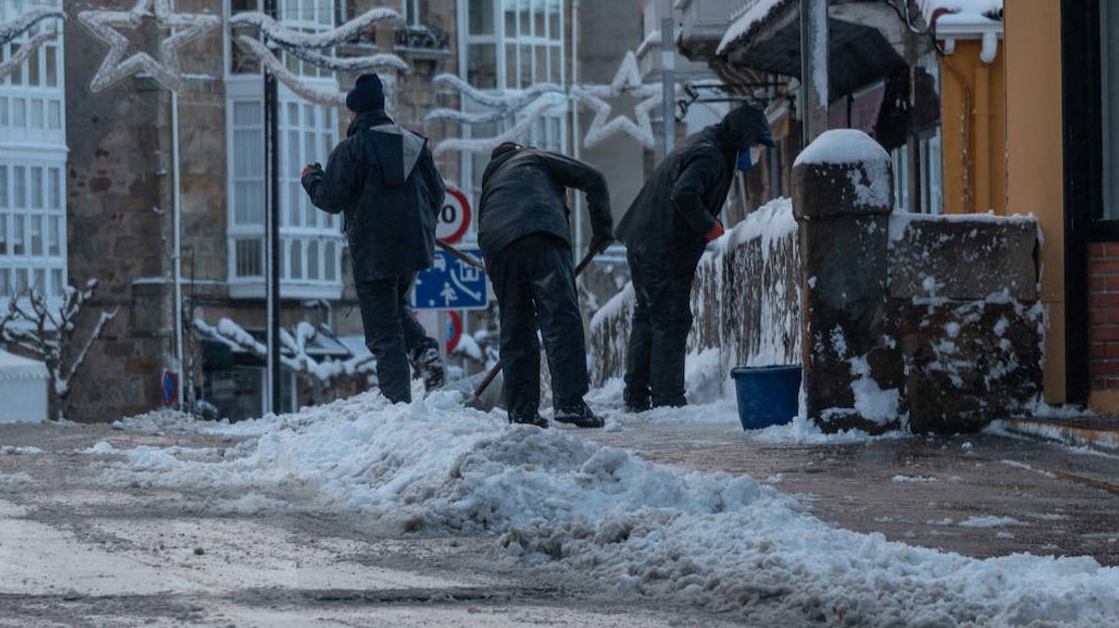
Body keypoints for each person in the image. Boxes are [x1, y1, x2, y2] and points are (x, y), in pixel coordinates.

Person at [615, 104, 775, 411]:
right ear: (742, 139)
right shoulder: (711, 155)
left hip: (645, 239)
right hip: (661, 247)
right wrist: (710, 227)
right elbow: (685, 194)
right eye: (755, 146)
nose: (756, 154)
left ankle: (636, 395)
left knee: (648, 315)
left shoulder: (707, 144)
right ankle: (667, 399)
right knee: (671, 319)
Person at [302, 74, 446, 403]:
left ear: (355, 112)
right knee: (393, 308)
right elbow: (437, 193)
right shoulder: (414, 144)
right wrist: (420, 227)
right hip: (412, 248)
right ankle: (425, 352)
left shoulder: (352, 150)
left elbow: (332, 197)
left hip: (373, 250)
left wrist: (311, 179)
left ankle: (397, 407)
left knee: (383, 332)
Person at [477, 142, 614, 428]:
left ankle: (522, 413)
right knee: (559, 319)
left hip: (498, 248)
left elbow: (484, 230)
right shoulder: (534, 156)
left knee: (516, 328)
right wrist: (602, 231)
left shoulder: (491, 183)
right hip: (541, 233)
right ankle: (570, 404)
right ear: (519, 149)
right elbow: (595, 179)